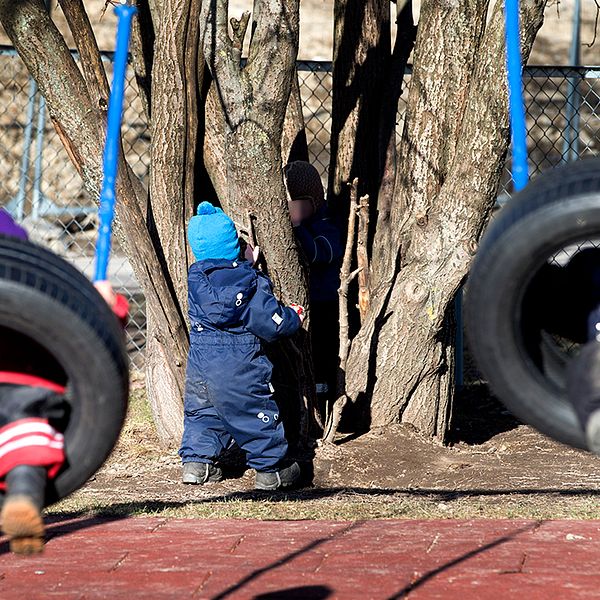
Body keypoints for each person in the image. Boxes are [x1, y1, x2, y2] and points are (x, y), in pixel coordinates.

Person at [0, 207, 127, 553]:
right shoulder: (45, 304)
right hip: (29, 401)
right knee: (28, 449)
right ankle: (23, 497)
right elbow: (95, 344)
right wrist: (106, 305)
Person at [179, 202, 305, 490]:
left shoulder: (196, 279)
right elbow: (270, 324)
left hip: (201, 365)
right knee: (253, 410)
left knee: (203, 413)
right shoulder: (250, 282)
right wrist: (293, 317)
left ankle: (197, 465)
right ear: (235, 246)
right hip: (239, 363)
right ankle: (271, 470)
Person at [284, 161, 343, 407]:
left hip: (324, 302)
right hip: (302, 305)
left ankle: (324, 399)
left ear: (314, 200)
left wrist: (298, 227)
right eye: (290, 205)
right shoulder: (301, 225)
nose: (294, 210)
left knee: (323, 353)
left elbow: (319, 254)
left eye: (300, 204)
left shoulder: (326, 224)